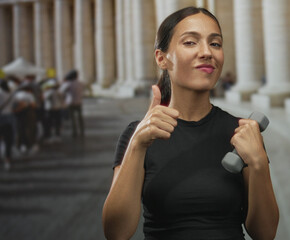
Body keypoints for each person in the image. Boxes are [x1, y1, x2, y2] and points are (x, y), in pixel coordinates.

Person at [102, 7, 279, 240]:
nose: (207, 52)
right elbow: (116, 233)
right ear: (162, 59)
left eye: (215, 44)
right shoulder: (138, 136)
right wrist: (137, 145)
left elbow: (265, 234)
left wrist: (258, 164)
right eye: (190, 42)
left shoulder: (243, 132)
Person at [59, 70, 85, 138]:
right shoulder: (80, 83)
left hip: (71, 102)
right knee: (80, 118)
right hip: (79, 102)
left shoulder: (68, 83)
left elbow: (60, 92)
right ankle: (82, 131)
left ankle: (75, 132)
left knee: (73, 118)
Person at [0, 79, 16, 170]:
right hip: (10, 117)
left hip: (1, 117)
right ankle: (7, 159)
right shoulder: (11, 94)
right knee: (8, 139)